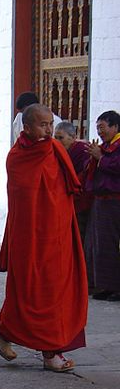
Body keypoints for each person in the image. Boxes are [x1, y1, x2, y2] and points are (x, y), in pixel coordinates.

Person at [0, 103, 88, 372]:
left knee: (53, 290)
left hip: (58, 233)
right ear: (27, 127)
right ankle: (49, 353)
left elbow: (69, 188)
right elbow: (23, 200)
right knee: (32, 290)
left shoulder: (55, 150)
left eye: (50, 124)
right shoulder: (17, 157)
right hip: (31, 235)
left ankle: (6, 333)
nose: (48, 130)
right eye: (42, 125)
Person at [85, 110, 120, 302]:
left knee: (113, 244)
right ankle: (105, 285)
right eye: (97, 128)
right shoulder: (106, 146)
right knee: (100, 245)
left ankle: (116, 286)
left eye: (102, 127)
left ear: (115, 127)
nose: (99, 132)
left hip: (115, 201)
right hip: (101, 200)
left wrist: (101, 158)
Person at [54, 122, 93, 242]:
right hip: (65, 200)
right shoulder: (59, 152)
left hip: (81, 200)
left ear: (73, 137)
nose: (57, 141)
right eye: (55, 138)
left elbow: (83, 177)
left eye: (61, 138)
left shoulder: (83, 151)